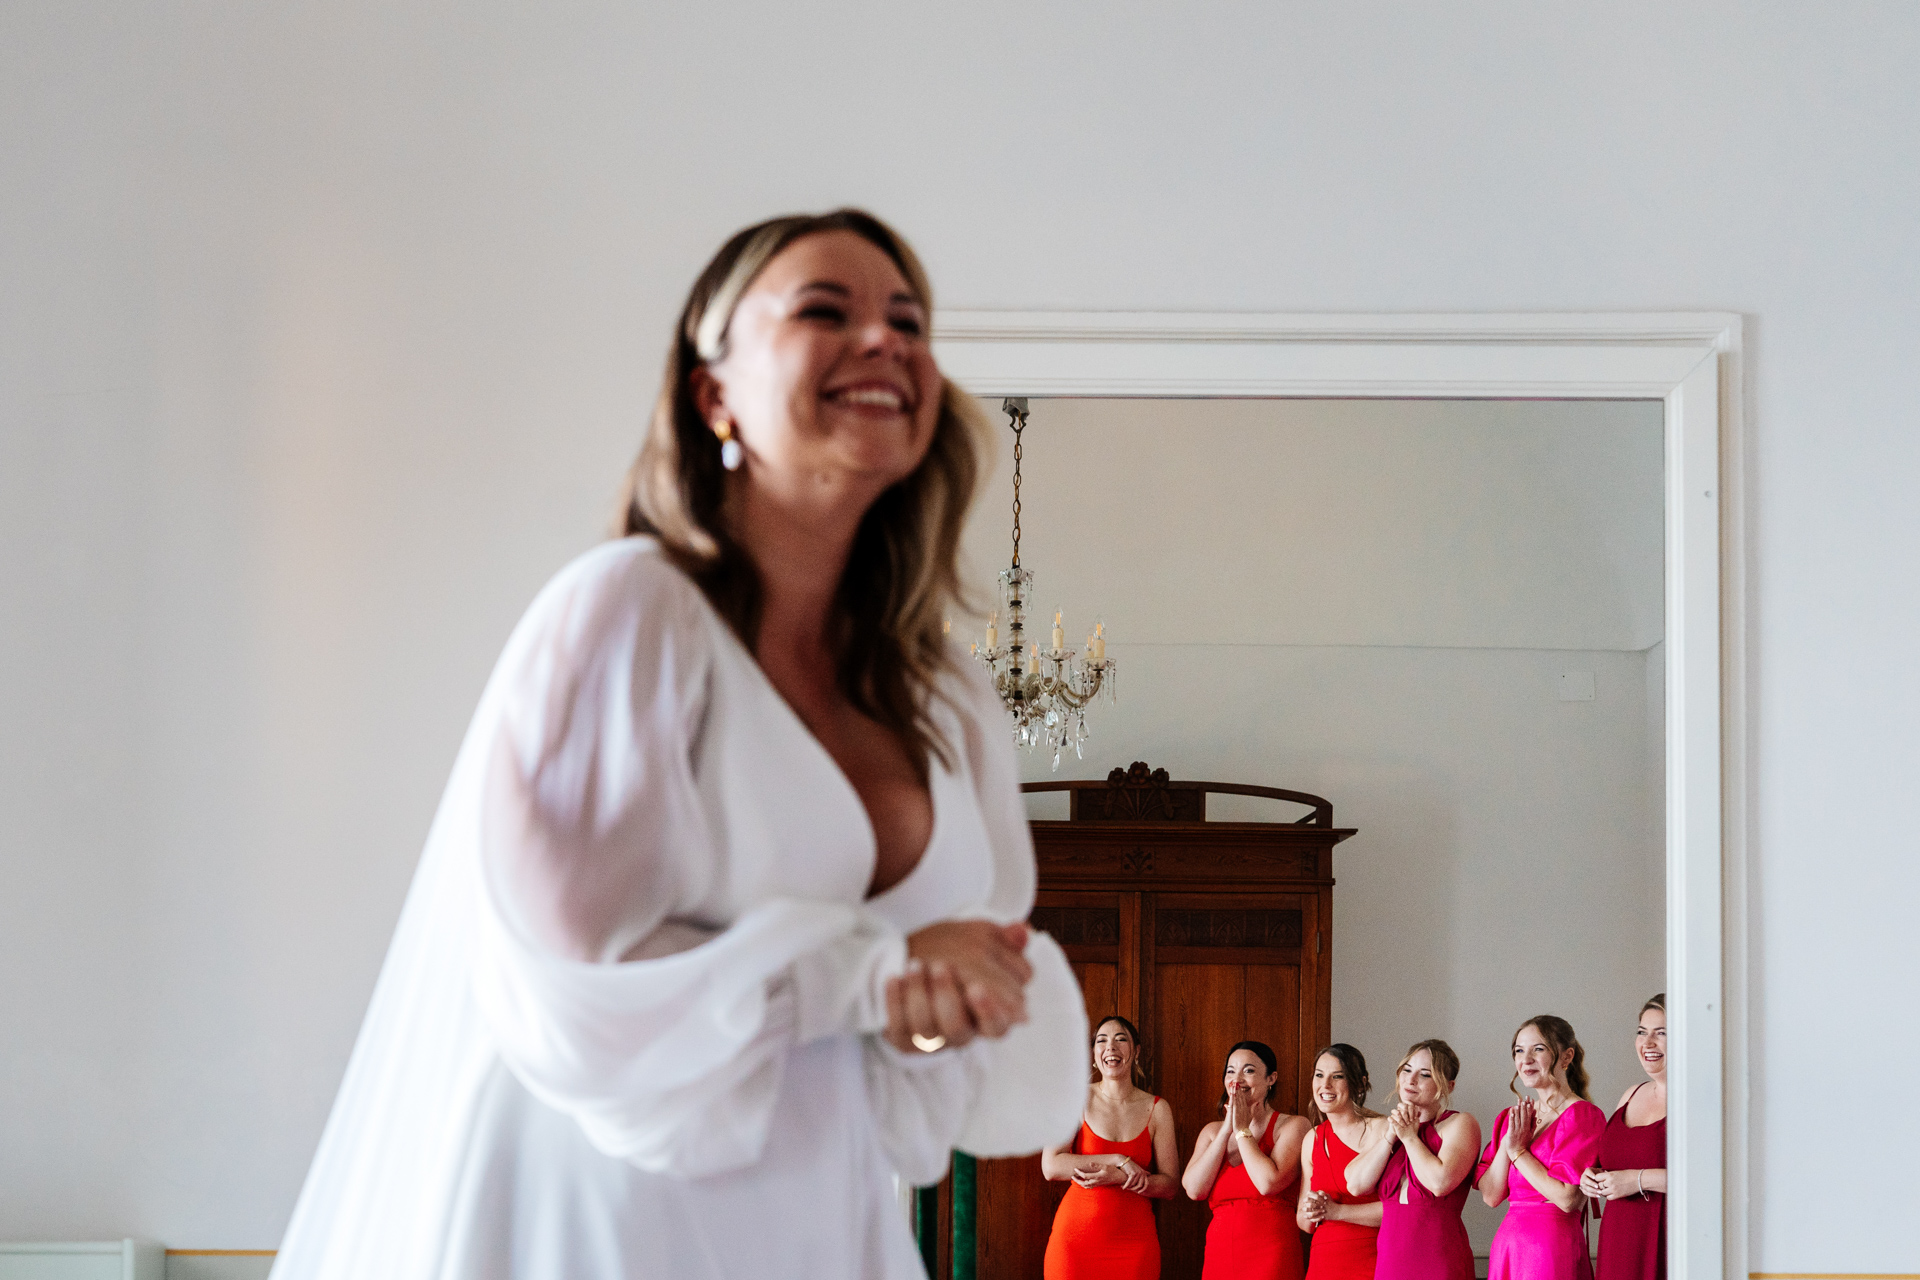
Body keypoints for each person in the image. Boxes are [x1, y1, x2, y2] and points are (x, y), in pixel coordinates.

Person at [267, 210, 1089, 1280]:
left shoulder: (942, 690)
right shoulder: (630, 615)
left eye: (908, 322)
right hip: (601, 1207)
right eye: (825, 311)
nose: (885, 341)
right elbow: (574, 982)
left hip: (822, 1207)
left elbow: (961, 987)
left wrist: (932, 1015)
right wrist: (868, 977)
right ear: (714, 394)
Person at [1041, 1015, 1180, 1280]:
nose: (1111, 1047)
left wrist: (1120, 1177)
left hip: (1135, 1243)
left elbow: (1170, 1185)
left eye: (1121, 1039)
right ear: (1094, 1054)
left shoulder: (1158, 1109)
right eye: (1102, 1041)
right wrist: (1118, 1159)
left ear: (1136, 1052)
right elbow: (1051, 1166)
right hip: (1076, 1242)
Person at [1475, 1016, 1608, 1280]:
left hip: (1549, 1247)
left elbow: (1567, 1199)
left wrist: (1518, 1152)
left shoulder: (1582, 1116)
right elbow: (1491, 1196)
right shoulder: (1511, 1117)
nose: (1525, 1060)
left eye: (1538, 1049)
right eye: (1519, 1051)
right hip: (1508, 1244)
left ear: (1566, 1056)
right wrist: (1508, 1143)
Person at [1344, 1039, 1480, 1280]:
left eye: (1425, 1074)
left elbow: (1439, 1183)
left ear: (1448, 1087)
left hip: (1439, 1260)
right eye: (1407, 1070)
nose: (1411, 1079)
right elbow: (1356, 1185)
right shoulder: (1389, 1128)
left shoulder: (1460, 1123)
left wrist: (1409, 1137)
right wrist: (1390, 1136)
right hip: (1391, 1262)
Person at [1182, 1041, 1313, 1280]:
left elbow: (1268, 1183)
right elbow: (1194, 1190)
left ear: (1271, 1078)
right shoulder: (1211, 1132)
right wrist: (1226, 1129)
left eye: (1248, 1071)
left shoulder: (1294, 1125)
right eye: (1231, 1071)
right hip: (1220, 1257)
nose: (1237, 1079)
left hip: (1271, 1256)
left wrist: (1242, 1129)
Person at [1582, 995, 1668, 1280]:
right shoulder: (1631, 1094)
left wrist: (1638, 1180)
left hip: (1666, 1238)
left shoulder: (1700, 1100)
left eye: (1661, 1033)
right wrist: (1591, 1176)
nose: (1648, 1043)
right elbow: (1611, 1162)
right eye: (1642, 1032)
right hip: (1618, 1239)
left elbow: (1709, 1179)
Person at [1296, 1044, 1385, 1280]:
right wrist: (1312, 1209)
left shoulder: (1383, 1129)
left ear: (1360, 1084)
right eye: (1319, 1075)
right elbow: (1303, 1222)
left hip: (1373, 1260)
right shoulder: (1312, 1138)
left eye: (1337, 1077)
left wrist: (1338, 1212)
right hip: (1323, 1264)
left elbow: (1402, 1210)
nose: (1325, 1085)